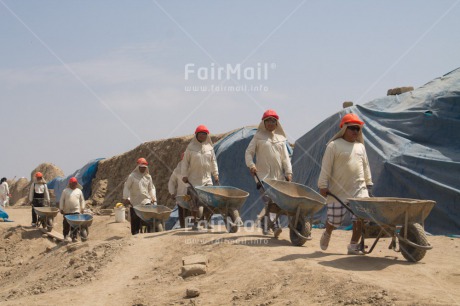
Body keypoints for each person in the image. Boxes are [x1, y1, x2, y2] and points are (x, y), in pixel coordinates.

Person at [318, 113, 373, 255]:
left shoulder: (360, 147)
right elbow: (326, 167)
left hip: (359, 190)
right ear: (344, 129)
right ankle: (328, 232)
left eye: (358, 129)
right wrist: (322, 185)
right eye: (352, 128)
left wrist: (368, 182)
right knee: (335, 221)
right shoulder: (333, 146)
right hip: (339, 191)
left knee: (360, 218)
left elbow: (365, 166)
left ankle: (353, 245)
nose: (355, 131)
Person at [245, 109, 293, 237]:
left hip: (279, 178)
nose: (271, 123)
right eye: (268, 121)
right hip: (262, 177)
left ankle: (265, 223)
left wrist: (288, 172)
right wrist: (251, 165)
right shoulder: (258, 137)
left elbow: (285, 158)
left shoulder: (281, 139)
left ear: (277, 123)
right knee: (270, 201)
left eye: (273, 121)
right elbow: (249, 153)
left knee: (276, 202)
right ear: (264, 123)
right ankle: (275, 225)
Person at [181, 125, 219, 230]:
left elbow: (213, 162)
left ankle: (207, 221)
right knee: (194, 203)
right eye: (201, 134)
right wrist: (184, 175)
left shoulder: (210, 148)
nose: (203, 136)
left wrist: (216, 175)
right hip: (194, 179)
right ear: (196, 135)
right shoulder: (190, 148)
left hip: (207, 179)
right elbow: (185, 163)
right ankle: (194, 222)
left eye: (205, 134)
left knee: (210, 201)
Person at [123, 158, 157, 235]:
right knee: (135, 219)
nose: (142, 169)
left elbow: (150, 188)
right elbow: (127, 187)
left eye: (144, 168)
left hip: (146, 200)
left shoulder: (148, 177)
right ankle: (135, 234)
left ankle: (150, 233)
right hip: (135, 201)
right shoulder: (132, 176)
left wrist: (153, 197)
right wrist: (126, 198)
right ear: (138, 167)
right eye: (141, 167)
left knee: (149, 217)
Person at [59, 177, 85, 242]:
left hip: (76, 210)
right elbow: (62, 200)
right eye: (72, 183)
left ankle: (74, 237)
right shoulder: (65, 191)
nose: (73, 185)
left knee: (75, 225)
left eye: (75, 183)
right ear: (70, 184)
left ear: (76, 184)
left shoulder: (79, 191)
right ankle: (65, 236)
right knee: (66, 224)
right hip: (67, 211)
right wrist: (61, 208)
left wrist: (82, 208)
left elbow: (82, 200)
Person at [168, 152, 190, 228]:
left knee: (189, 210)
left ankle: (189, 226)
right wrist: (172, 192)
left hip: (191, 194)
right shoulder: (177, 169)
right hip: (181, 195)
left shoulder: (192, 167)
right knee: (182, 211)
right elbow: (171, 181)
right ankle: (183, 227)